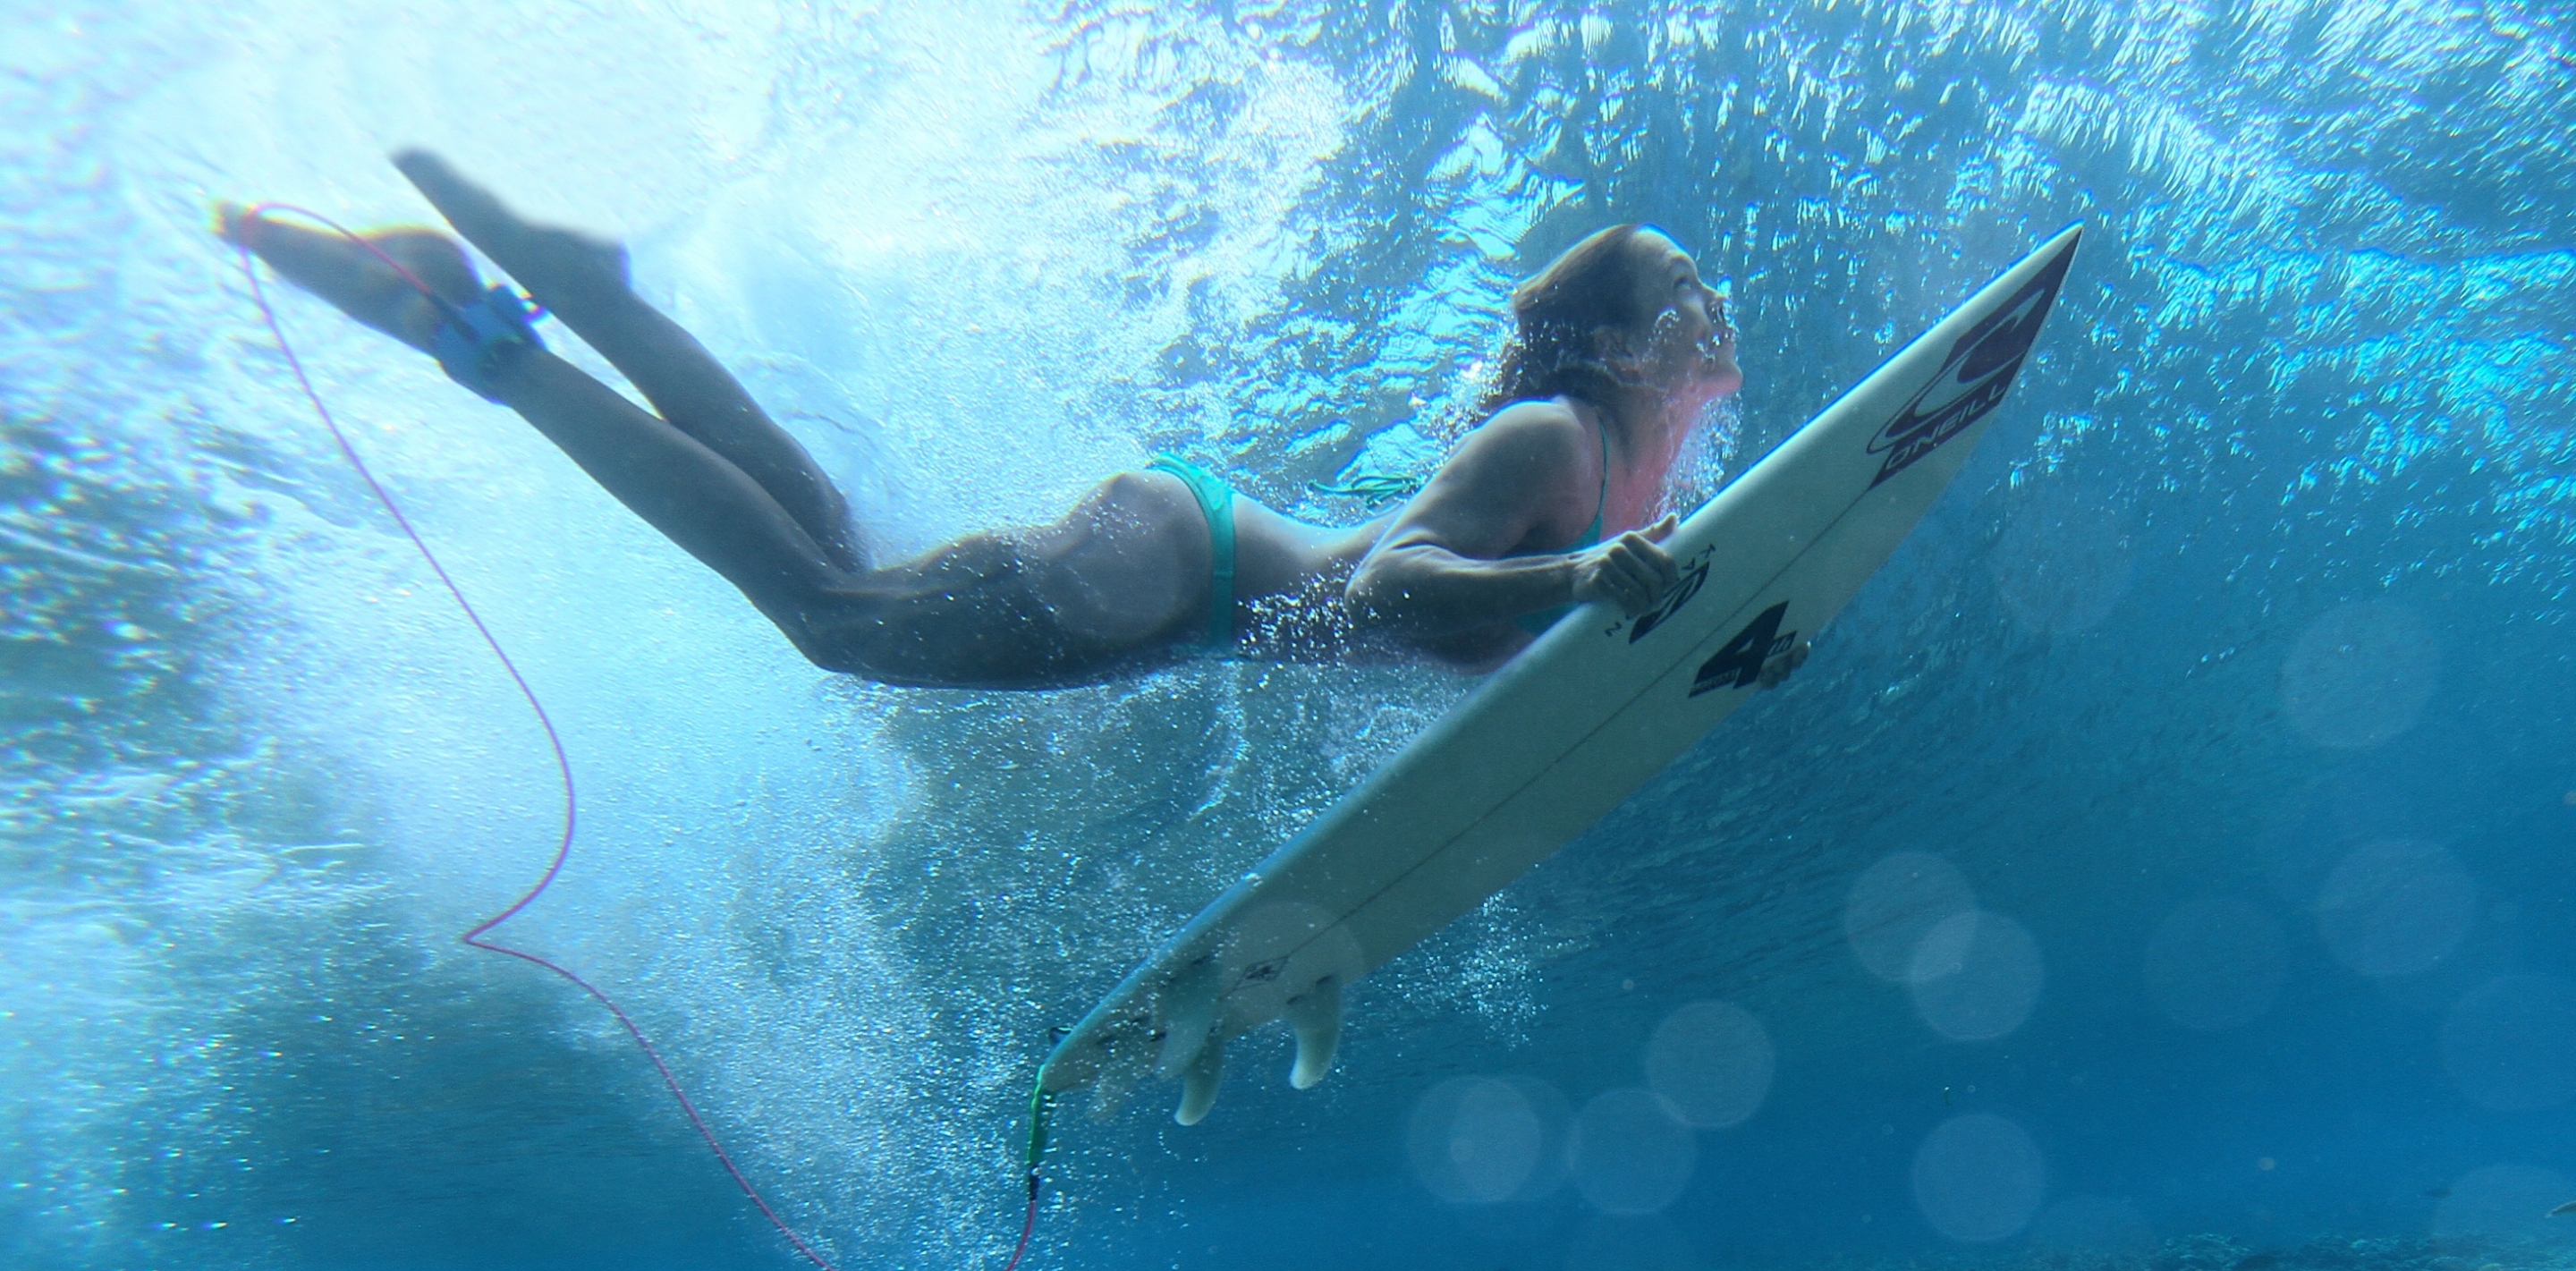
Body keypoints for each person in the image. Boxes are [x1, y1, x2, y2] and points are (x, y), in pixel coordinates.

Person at [220, 155, 1741, 689]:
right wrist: (1575, 585)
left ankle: (605, 303)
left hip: (1179, 581)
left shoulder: (1622, 471)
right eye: (1679, 287)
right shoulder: (1555, 443)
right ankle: (486, 343)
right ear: (1611, 341)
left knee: (839, 556)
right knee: (832, 618)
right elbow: (1384, 584)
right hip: (1183, 574)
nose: (1709, 308)